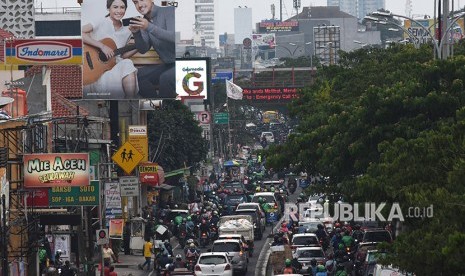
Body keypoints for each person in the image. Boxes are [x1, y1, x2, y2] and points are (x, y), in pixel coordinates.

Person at [82, 0, 139, 99]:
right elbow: (80, 33)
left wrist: (138, 47)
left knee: (127, 63)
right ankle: (130, 101)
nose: (119, 10)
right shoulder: (101, 21)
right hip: (94, 73)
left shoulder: (127, 30)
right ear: (109, 8)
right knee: (127, 64)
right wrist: (102, 46)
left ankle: (130, 100)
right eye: (115, 7)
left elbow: (122, 56)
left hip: (113, 70)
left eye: (122, 7)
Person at [129, 0, 176, 98]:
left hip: (184, 63)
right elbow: (143, 49)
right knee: (137, 75)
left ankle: (162, 111)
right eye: (135, 2)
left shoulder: (169, 11)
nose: (139, 5)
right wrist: (136, 33)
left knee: (165, 78)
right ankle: (156, 107)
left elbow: (174, 37)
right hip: (168, 65)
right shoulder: (144, 22)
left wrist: (149, 27)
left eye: (142, 0)